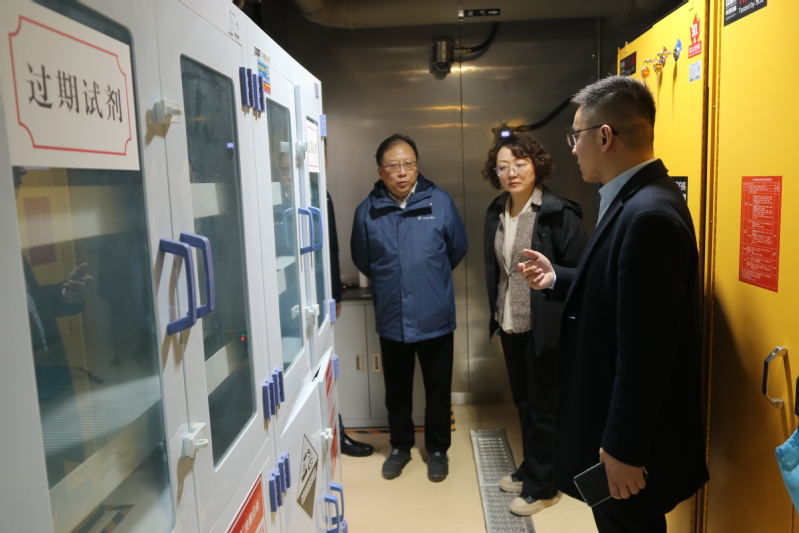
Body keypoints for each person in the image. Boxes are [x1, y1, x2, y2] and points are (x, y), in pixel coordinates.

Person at [518, 76, 709, 532]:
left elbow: (648, 352)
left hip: (627, 444)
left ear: (604, 137)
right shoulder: (634, 198)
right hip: (613, 428)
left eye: (576, 137)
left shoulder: (649, 215)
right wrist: (559, 277)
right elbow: (622, 295)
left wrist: (625, 448)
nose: (572, 149)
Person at [350, 133, 468, 482]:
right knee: (397, 391)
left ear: (416, 166)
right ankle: (400, 447)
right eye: (393, 166)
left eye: (408, 164)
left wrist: (427, 279)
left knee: (438, 390)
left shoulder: (439, 202)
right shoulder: (367, 212)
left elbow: (456, 248)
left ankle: (438, 450)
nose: (402, 172)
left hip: (435, 315)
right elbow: (363, 259)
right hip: (393, 317)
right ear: (380, 171)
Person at [482, 134, 587, 515]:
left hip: (546, 330)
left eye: (520, 164)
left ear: (536, 165)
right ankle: (534, 467)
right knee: (525, 405)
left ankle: (544, 486)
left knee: (543, 409)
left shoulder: (559, 213)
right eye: (503, 166)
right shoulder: (497, 211)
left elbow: (581, 275)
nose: (511, 172)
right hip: (510, 323)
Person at [327, 190, 374, 457]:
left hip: (317, 305)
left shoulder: (318, 192)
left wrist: (335, 295)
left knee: (325, 374)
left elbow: (330, 248)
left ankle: (337, 433)